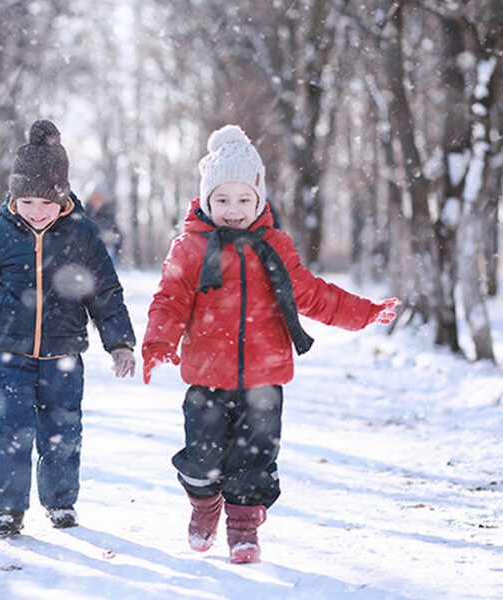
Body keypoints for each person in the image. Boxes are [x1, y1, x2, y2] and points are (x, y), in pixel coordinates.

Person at [141, 125, 397, 564]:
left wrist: (365, 312)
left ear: (259, 198)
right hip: (206, 376)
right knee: (201, 458)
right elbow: (169, 300)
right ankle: (204, 505)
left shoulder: (274, 245)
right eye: (221, 200)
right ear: (205, 200)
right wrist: (158, 343)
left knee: (253, 461)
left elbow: (312, 294)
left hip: (264, 378)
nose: (233, 210)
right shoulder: (189, 248)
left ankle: (243, 530)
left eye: (243, 199)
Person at [0, 120, 136, 537]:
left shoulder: (82, 234)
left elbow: (105, 292)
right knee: (11, 427)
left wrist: (119, 341)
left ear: (62, 197)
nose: (35, 210)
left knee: (62, 429)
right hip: (10, 353)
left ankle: (60, 501)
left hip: (64, 353)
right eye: (26, 200)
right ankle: (8, 508)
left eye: (45, 202)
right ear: (13, 195)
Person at [84, 182, 123, 262]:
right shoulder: (83, 214)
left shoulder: (109, 216)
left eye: (100, 197)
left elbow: (119, 237)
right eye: (95, 197)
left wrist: (112, 239)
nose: (98, 200)